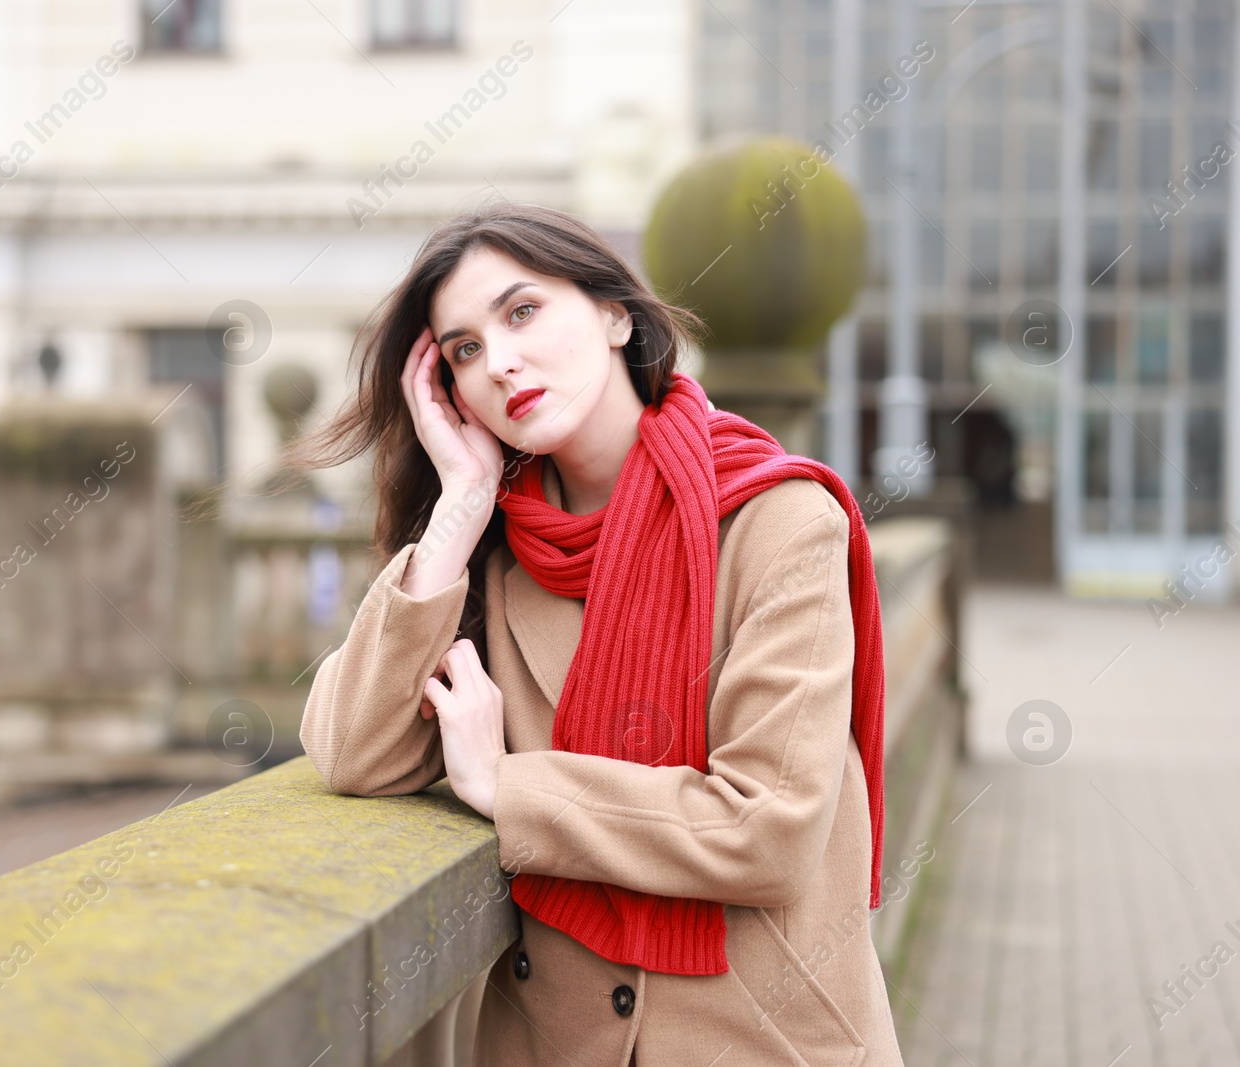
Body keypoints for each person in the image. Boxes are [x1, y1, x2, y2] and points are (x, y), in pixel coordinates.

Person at [287, 201, 905, 1066]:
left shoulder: (781, 523)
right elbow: (354, 751)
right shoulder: (495, 554)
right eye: (463, 349)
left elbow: (767, 830)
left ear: (616, 313)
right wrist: (459, 508)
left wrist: (508, 786)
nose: (499, 362)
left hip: (758, 1039)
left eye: (523, 311)